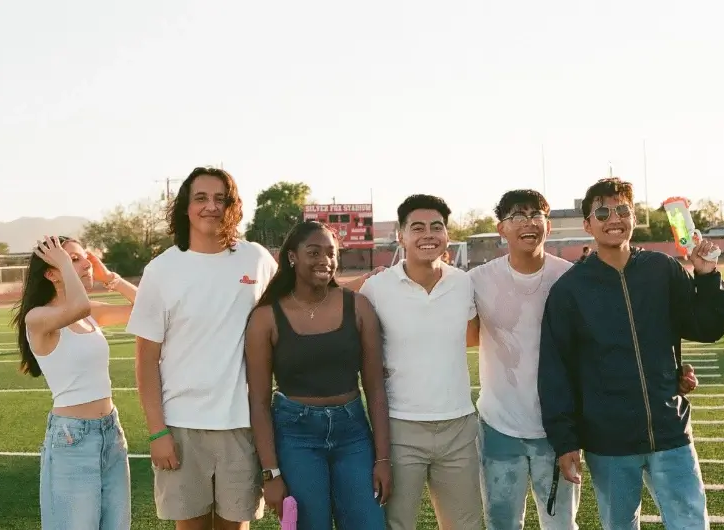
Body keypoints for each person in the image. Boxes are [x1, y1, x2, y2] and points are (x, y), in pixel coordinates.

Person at [538, 177, 724, 530]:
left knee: (690, 523)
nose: (614, 217)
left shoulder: (662, 269)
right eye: (602, 211)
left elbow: (706, 327)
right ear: (587, 225)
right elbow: (556, 371)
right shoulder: (570, 290)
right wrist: (565, 441)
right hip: (608, 441)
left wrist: (706, 276)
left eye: (622, 209)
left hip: (669, 430)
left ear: (634, 216)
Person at [126, 167, 278, 530]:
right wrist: (157, 432)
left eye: (220, 199)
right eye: (201, 198)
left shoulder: (255, 259)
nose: (211, 206)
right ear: (185, 207)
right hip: (181, 428)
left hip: (241, 425)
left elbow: (300, 300)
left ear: (232, 207)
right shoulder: (161, 270)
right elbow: (146, 359)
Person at [245, 220, 391, 529]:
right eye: (314, 252)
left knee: (369, 523)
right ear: (292, 257)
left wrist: (382, 459)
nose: (324, 260)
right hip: (295, 435)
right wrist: (271, 472)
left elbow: (376, 388)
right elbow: (258, 401)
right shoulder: (266, 317)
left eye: (331, 252)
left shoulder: (358, 307)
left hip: (352, 433)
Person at [358, 194, 483, 530]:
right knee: (397, 524)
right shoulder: (376, 287)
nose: (428, 234)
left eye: (436, 227)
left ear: (447, 234)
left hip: (458, 427)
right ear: (401, 236)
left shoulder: (463, 283)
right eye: (418, 227)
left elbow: (472, 337)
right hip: (400, 428)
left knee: (467, 524)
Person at [466, 190, 580, 529]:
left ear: (549, 225)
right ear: (501, 228)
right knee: (501, 523)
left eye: (536, 215)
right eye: (517, 215)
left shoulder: (571, 278)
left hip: (556, 427)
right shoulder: (478, 280)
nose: (528, 223)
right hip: (499, 424)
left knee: (560, 524)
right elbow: (460, 333)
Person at [12, 235, 138, 530]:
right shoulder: (38, 317)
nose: (86, 264)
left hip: (111, 434)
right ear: (51, 273)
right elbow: (78, 306)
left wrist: (111, 278)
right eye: (74, 259)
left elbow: (147, 308)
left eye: (85, 258)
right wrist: (70, 269)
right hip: (72, 441)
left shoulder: (88, 312)